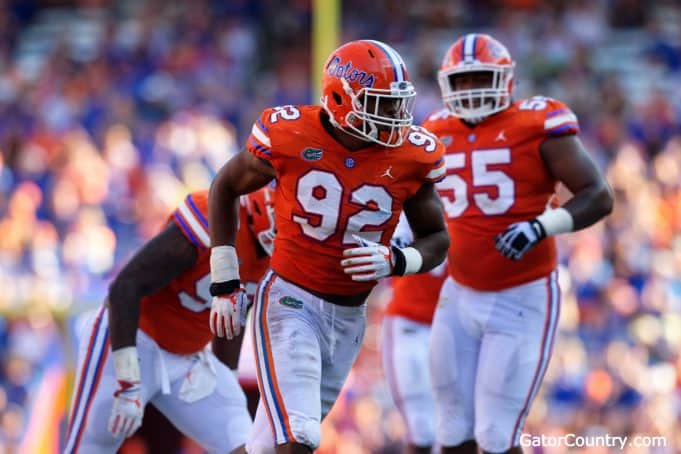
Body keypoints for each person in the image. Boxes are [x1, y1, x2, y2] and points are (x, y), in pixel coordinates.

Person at [207, 39, 450, 453]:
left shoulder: (413, 155)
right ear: (340, 98)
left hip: (350, 317)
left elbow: (437, 239)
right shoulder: (289, 133)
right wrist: (225, 280)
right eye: (381, 104)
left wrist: (396, 259)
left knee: (264, 447)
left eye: (397, 104)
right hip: (289, 302)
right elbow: (225, 186)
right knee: (300, 437)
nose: (396, 116)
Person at [424, 34, 614, 454]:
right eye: (463, 81)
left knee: (497, 435)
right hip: (458, 292)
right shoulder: (433, 131)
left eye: (480, 78)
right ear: (446, 85)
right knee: (451, 429)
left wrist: (541, 227)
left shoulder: (536, 123)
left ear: (505, 80)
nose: (472, 90)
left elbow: (598, 195)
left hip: (522, 297)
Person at [64, 186, 276, 454]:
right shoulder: (215, 216)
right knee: (90, 447)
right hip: (132, 338)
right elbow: (125, 287)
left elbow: (233, 318)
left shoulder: (275, 254)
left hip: (188, 358)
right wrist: (129, 382)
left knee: (246, 443)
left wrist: (227, 376)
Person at [381, 214, 447, 454]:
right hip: (409, 320)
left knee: (455, 428)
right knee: (421, 429)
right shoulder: (408, 202)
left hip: (453, 325)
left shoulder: (466, 196)